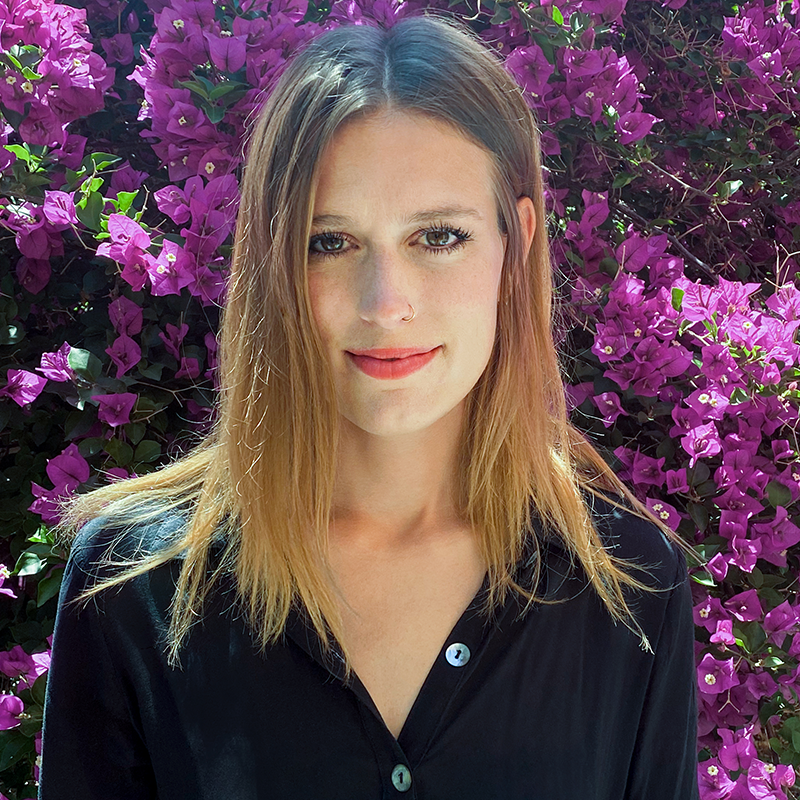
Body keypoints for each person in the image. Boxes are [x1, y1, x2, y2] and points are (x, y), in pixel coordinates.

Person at [38, 13, 701, 799]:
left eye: (439, 237)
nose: (386, 304)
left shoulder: (628, 589)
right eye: (331, 242)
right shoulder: (133, 584)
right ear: (274, 261)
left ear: (514, 245)